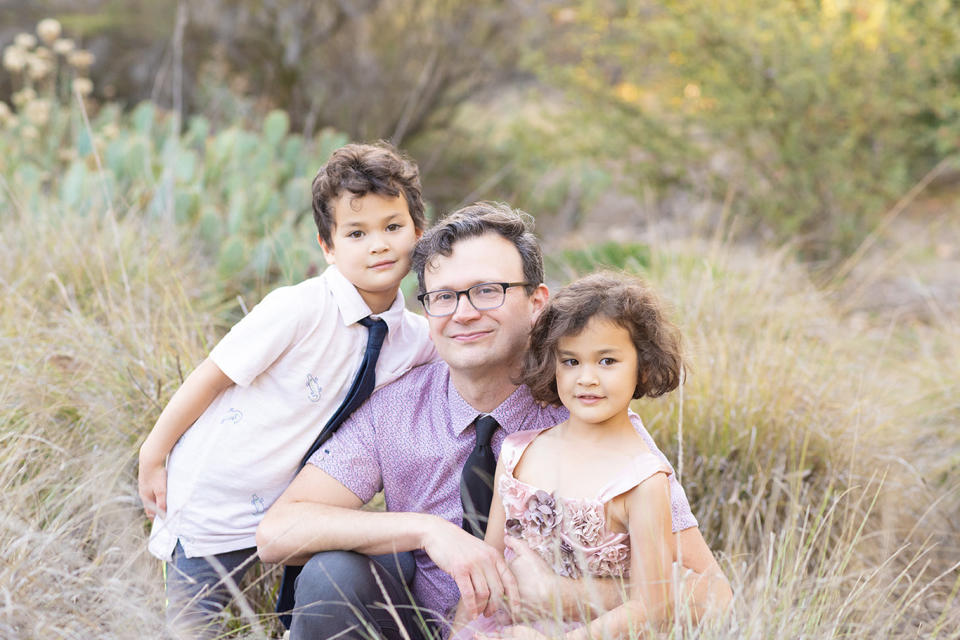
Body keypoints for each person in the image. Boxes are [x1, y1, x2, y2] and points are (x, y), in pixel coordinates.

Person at [257, 202, 730, 639]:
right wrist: (428, 530)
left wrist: (567, 597)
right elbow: (278, 532)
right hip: (419, 625)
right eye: (443, 297)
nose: (463, 313)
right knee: (332, 573)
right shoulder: (396, 409)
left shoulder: (585, 414)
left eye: (487, 291)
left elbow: (714, 595)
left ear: (537, 301)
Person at [137, 142, 437, 637]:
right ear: (328, 246)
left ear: (418, 233)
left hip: (301, 510)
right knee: (195, 627)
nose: (378, 244)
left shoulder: (415, 338)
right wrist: (154, 451)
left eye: (392, 227)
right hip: (216, 496)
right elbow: (212, 375)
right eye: (356, 233)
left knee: (295, 618)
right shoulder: (297, 309)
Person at [451, 273, 731, 639]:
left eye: (607, 361)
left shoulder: (643, 481)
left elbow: (652, 607)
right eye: (570, 362)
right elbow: (487, 566)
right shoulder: (518, 451)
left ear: (643, 365)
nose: (586, 378)